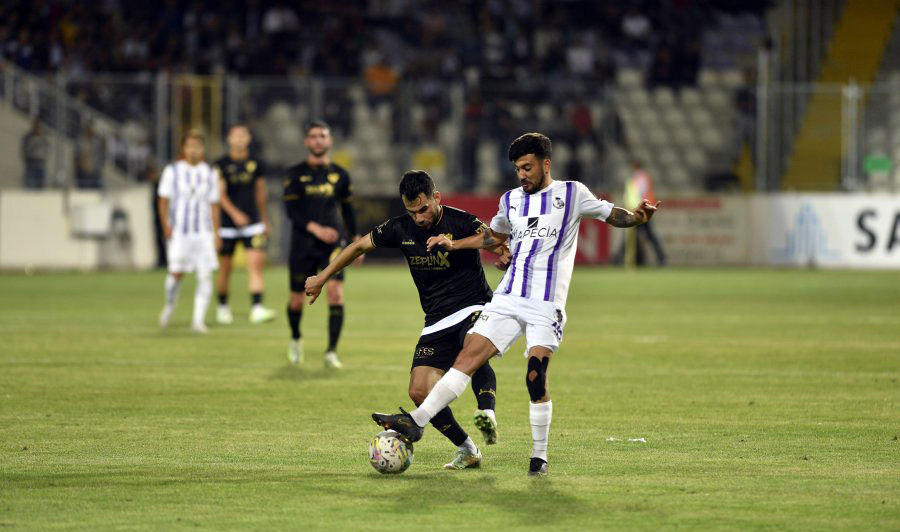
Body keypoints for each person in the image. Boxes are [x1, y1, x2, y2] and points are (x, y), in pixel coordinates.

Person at [372, 133, 660, 477]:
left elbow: (612, 215)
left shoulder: (572, 194)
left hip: (545, 303)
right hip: (508, 297)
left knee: (535, 376)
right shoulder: (510, 200)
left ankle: (539, 457)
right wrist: (455, 244)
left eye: (527, 167)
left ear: (545, 164)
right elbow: (492, 236)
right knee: (467, 357)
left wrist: (637, 218)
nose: (521, 174)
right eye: (517, 169)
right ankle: (417, 421)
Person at [305, 170, 508, 469]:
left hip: (474, 305)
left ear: (436, 197)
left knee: (472, 348)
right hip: (436, 319)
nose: (419, 218)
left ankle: (487, 413)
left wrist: (504, 253)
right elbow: (358, 246)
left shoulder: (460, 220)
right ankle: (468, 449)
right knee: (418, 391)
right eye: (411, 212)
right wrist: (322, 277)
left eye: (423, 209)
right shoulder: (399, 228)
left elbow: (494, 239)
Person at [283, 120, 360, 368]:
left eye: (322, 136)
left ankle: (331, 352)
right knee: (296, 300)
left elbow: (348, 211)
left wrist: (356, 241)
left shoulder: (341, 174)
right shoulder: (294, 174)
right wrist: (317, 229)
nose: (318, 140)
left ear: (329, 141)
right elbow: (291, 211)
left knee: (335, 293)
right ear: (307, 141)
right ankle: (296, 338)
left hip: (333, 244)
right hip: (303, 244)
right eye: (314, 136)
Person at [157, 129, 221, 334]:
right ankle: (169, 305)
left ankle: (198, 320)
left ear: (203, 149)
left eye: (197, 146)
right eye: (190, 146)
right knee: (176, 274)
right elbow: (163, 200)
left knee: (205, 275)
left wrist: (216, 233)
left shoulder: (210, 173)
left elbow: (214, 204)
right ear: (183, 148)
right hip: (180, 232)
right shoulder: (173, 171)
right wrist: (165, 225)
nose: (193, 150)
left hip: (204, 232)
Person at [213, 124, 277, 325]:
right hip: (227, 225)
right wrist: (234, 214)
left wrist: (264, 219)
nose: (239, 139)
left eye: (243, 135)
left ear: (249, 139)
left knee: (256, 266)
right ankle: (223, 307)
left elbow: (261, 192)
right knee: (225, 269)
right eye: (236, 136)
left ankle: (257, 308)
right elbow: (219, 195)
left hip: (253, 223)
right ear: (229, 139)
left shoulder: (257, 163)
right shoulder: (221, 165)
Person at [21, 118, 49, 189]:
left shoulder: (44, 138)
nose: (38, 128)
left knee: (40, 187)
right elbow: (25, 150)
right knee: (30, 186)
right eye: (36, 126)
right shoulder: (28, 137)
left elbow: (46, 149)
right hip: (31, 163)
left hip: (41, 164)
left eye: (39, 127)